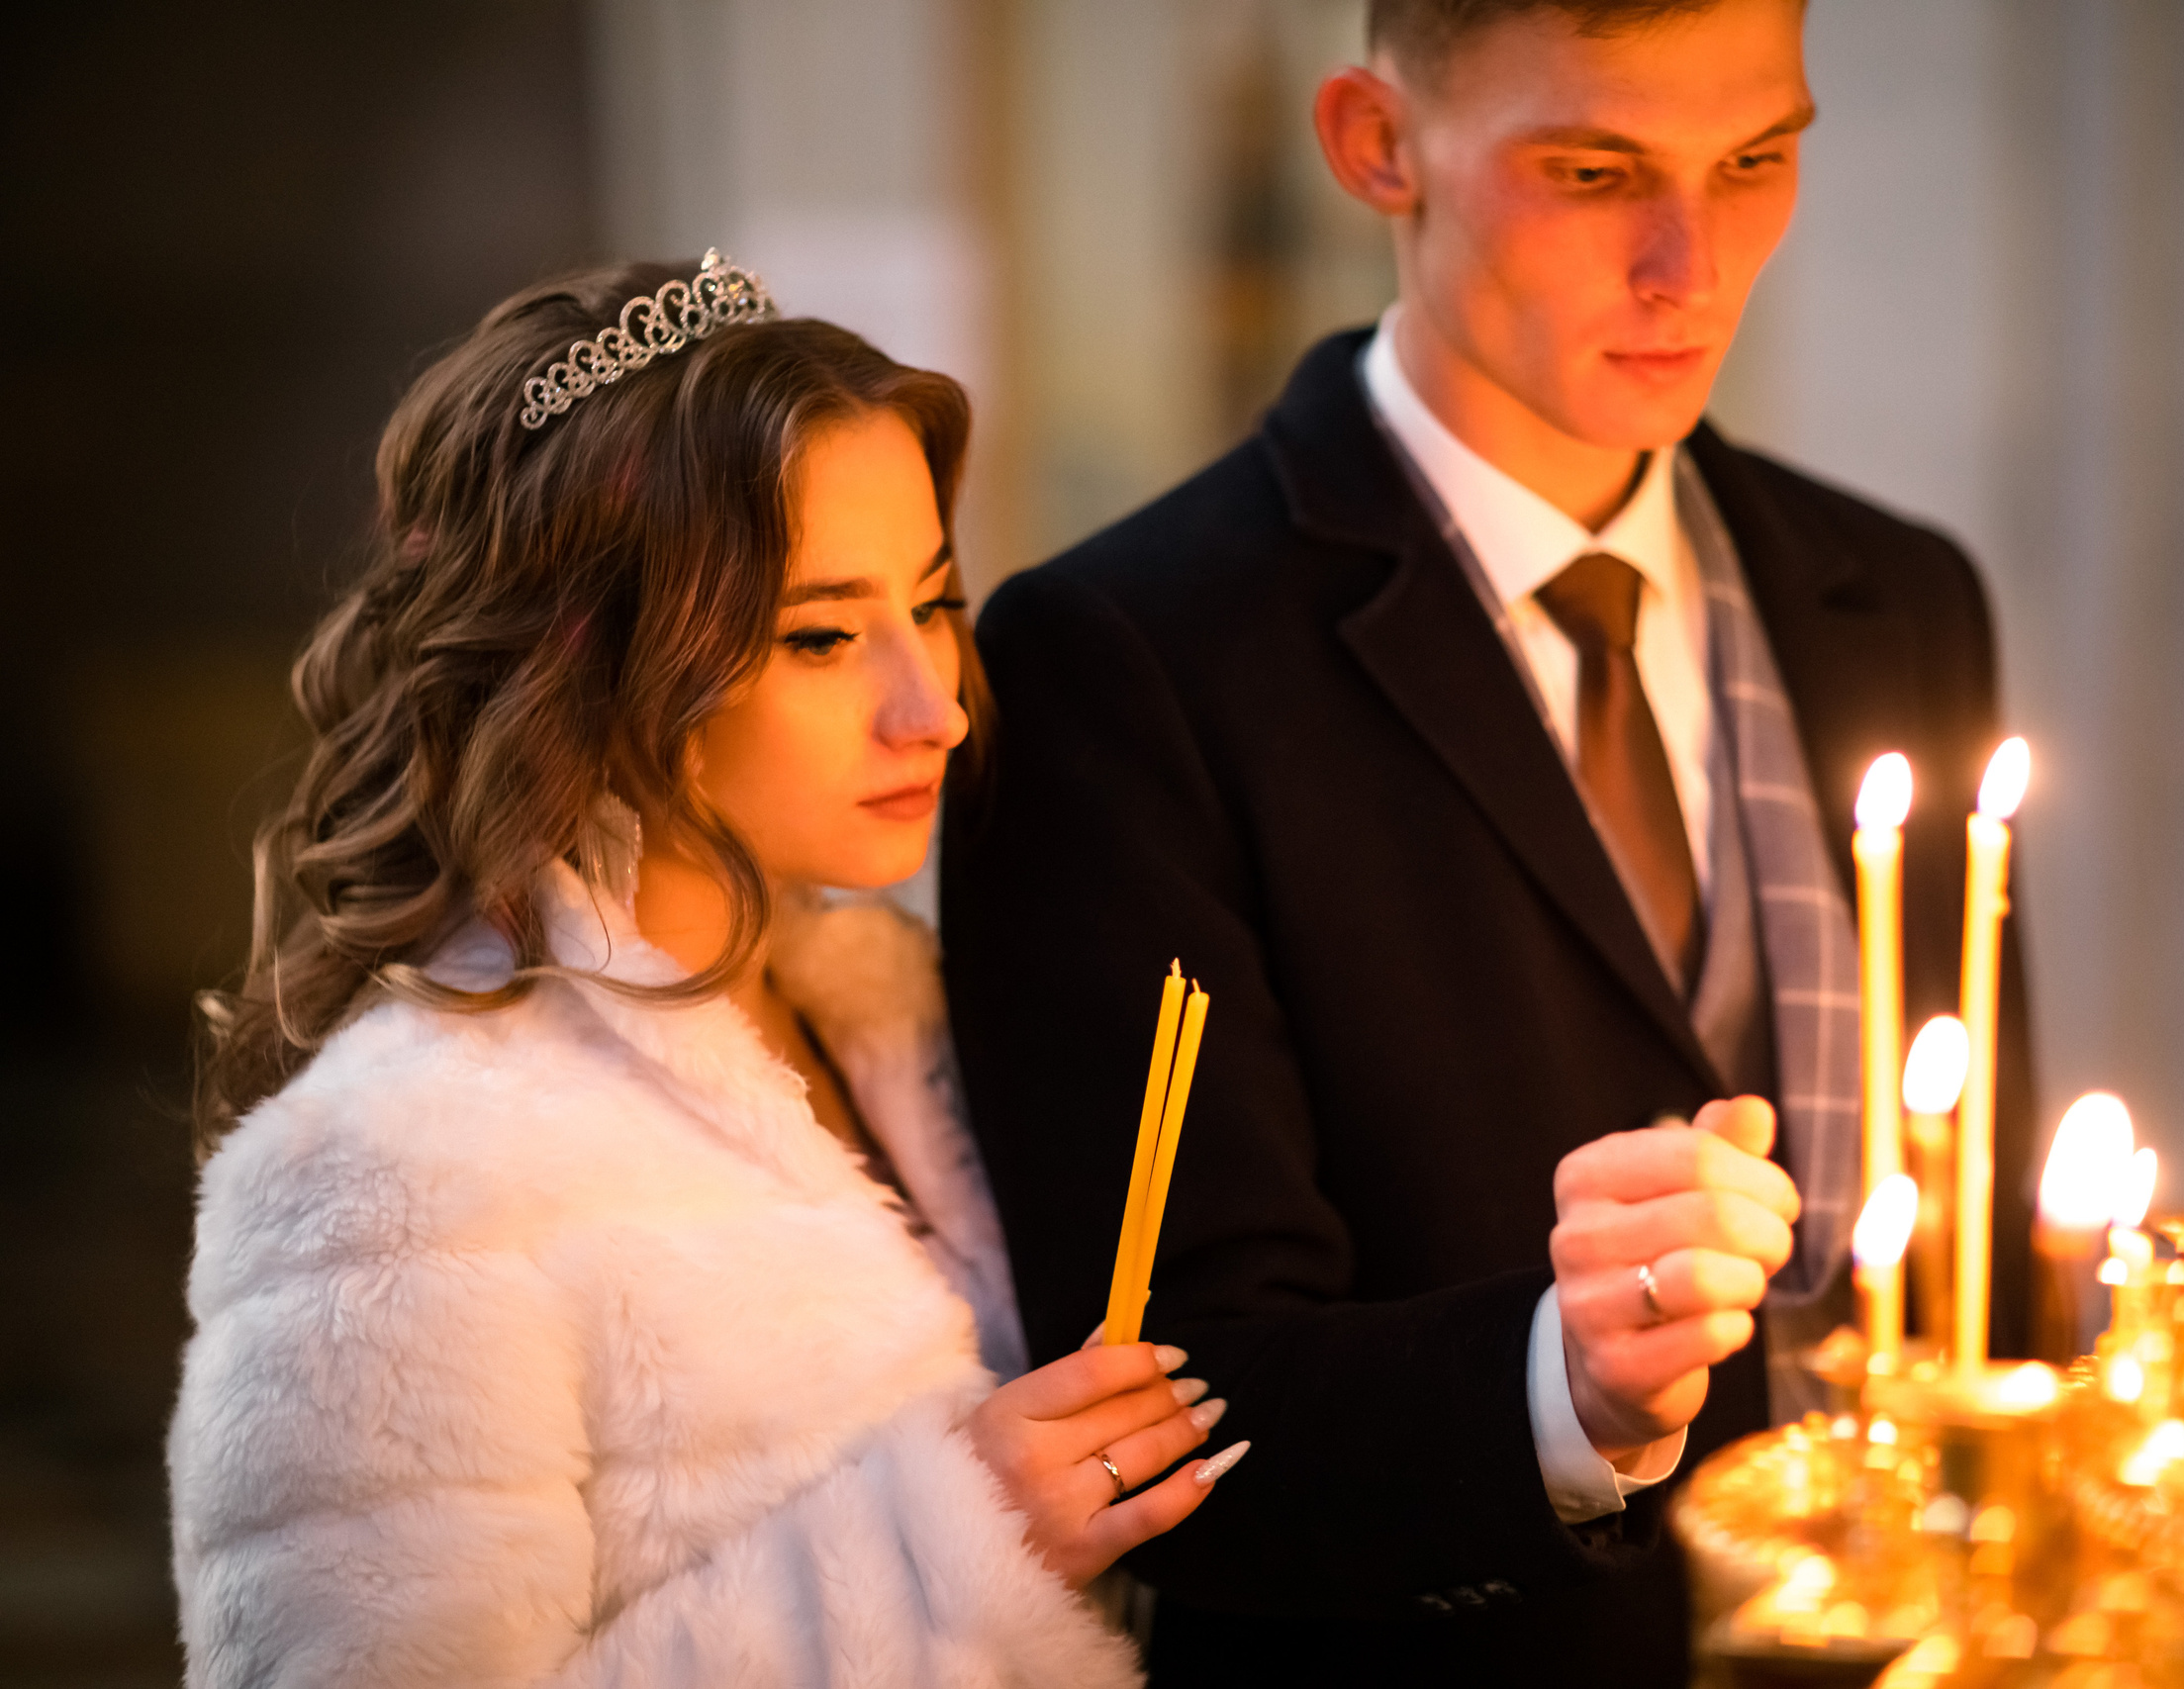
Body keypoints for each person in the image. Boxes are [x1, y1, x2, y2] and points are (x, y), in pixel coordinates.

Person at [940, 1, 2037, 1682]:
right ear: (1379, 144)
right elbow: (1163, 1412)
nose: (1694, 264)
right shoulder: (1123, 658)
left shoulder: (1900, 598)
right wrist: (1558, 1387)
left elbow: (1982, 1258)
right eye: (1596, 172)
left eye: (1756, 161)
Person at [167, 254, 1248, 1689]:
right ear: (601, 661)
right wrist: (954, 1547)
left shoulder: (904, 1011)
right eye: (819, 637)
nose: (932, 707)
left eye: (931, 605)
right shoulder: (399, 1161)